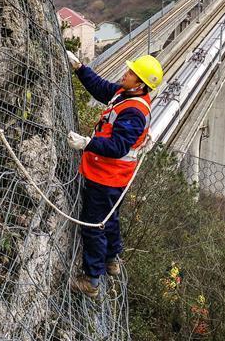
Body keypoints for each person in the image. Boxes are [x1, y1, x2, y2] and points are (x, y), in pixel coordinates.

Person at [66, 51, 164, 298]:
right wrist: (79, 68)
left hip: (108, 175)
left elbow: (118, 147)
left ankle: (92, 280)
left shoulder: (134, 111)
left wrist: (86, 143)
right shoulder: (126, 93)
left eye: (131, 73)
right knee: (109, 219)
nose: (126, 73)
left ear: (140, 83)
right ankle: (111, 259)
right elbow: (101, 88)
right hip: (110, 175)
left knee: (93, 224)